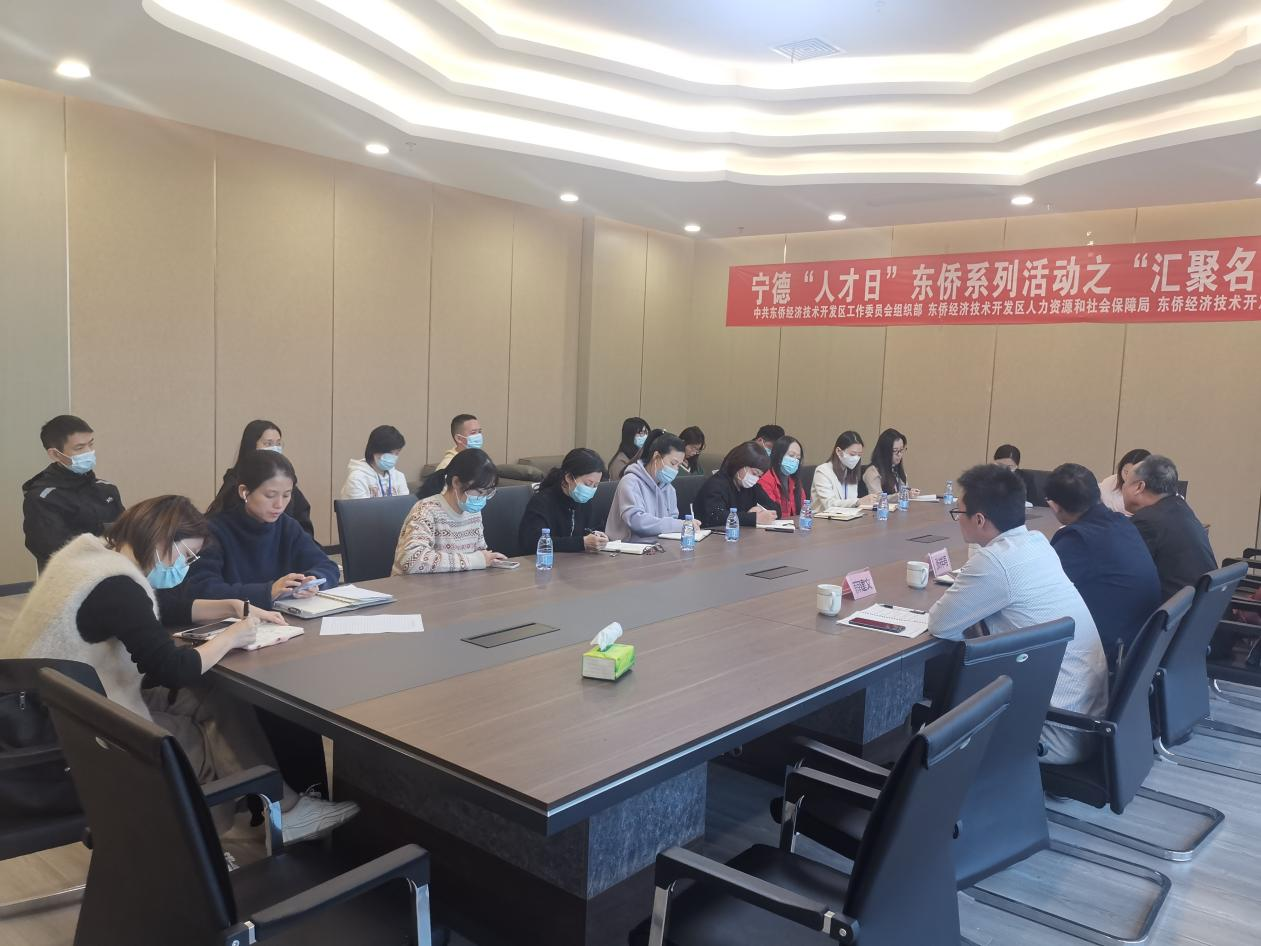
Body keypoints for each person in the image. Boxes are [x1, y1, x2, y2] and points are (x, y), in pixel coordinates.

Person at [2, 495, 358, 842]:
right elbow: (171, 668)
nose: (185, 566)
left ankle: (283, 809)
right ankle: (197, 852)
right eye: (187, 555)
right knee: (202, 741)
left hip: (43, 703)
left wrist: (230, 606)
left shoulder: (89, 556)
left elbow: (159, 607)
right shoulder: (118, 586)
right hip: (60, 730)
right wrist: (232, 637)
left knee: (210, 694)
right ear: (162, 538)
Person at [928, 464, 1108, 765]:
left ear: (980, 519)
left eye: (959, 513)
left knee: (942, 701)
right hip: (1085, 719)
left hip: (1052, 730)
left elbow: (940, 624)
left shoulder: (996, 561)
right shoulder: (1038, 543)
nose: (958, 520)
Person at [1044, 463, 1163, 671]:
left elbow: (1043, 594)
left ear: (1054, 506)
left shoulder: (1077, 539)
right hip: (1139, 647)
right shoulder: (1122, 523)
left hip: (1107, 658)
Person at [188, 451, 340, 609]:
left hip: (283, 618)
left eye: (286, 495)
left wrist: (313, 580)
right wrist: (268, 592)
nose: (279, 505)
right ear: (244, 491)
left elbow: (328, 566)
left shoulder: (287, 526)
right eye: (270, 495)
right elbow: (203, 590)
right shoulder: (213, 531)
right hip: (233, 620)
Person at [23, 415, 124, 571]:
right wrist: (106, 543)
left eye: (91, 444)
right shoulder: (42, 498)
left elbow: (126, 530)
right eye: (79, 448)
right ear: (55, 454)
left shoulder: (106, 489)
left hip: (115, 568)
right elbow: (55, 549)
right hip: (72, 575)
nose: (89, 452)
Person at [394, 448, 508, 573]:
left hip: (456, 582)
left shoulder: (473, 512)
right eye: (479, 492)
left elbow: (479, 554)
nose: (482, 499)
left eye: (487, 493)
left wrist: (488, 559)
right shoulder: (426, 510)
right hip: (414, 584)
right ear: (456, 482)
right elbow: (410, 560)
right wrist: (474, 560)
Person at [1124, 455, 1215, 600]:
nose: (1123, 487)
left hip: (1175, 609)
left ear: (1139, 487)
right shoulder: (1180, 507)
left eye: (1125, 482)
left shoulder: (1147, 521)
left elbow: (1125, 573)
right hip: (1202, 605)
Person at [212, 420, 314, 537]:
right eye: (268, 443)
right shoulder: (233, 483)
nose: (279, 505)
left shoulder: (286, 481)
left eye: (278, 444)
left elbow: (303, 524)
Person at [604, 431, 692, 541]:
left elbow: (672, 522)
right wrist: (680, 524)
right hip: (628, 547)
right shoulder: (630, 482)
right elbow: (637, 522)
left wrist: (681, 526)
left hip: (658, 546)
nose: (675, 470)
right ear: (656, 456)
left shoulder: (669, 489)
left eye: (678, 466)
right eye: (673, 463)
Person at [518, 448, 609, 554]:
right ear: (569, 477)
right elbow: (533, 543)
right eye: (588, 484)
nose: (590, 489)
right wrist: (581, 543)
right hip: (544, 561)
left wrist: (596, 536)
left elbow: (587, 531)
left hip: (576, 561)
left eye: (595, 485)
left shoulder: (584, 502)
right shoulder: (542, 501)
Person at [694, 442, 777, 529]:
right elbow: (716, 516)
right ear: (740, 463)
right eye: (754, 473)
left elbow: (775, 507)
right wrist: (753, 518)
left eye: (759, 476)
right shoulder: (716, 484)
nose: (755, 479)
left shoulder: (752, 487)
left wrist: (761, 509)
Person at [811, 431, 874, 512]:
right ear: (838, 451)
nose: (856, 458)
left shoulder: (851, 472)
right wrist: (857, 502)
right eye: (852, 454)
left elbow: (851, 502)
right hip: (823, 518)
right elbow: (829, 504)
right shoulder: (822, 471)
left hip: (847, 517)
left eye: (859, 455)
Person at [340, 425, 408, 499]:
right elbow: (361, 506)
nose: (393, 457)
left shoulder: (398, 476)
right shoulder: (357, 478)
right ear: (375, 450)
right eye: (389, 452)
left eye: (397, 453)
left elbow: (406, 504)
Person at [754, 436, 808, 518]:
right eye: (791, 455)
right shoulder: (765, 481)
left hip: (795, 524)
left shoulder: (795, 481)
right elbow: (772, 513)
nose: (795, 460)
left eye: (798, 458)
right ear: (778, 456)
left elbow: (804, 510)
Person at [863, 427, 920, 498]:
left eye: (901, 450)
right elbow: (877, 498)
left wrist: (910, 492)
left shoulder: (896, 469)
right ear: (884, 451)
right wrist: (902, 495)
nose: (899, 454)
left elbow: (904, 490)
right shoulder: (872, 472)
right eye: (895, 450)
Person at [1099, 448, 1150, 515]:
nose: (1128, 477)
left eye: (1134, 474)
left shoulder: (1150, 493)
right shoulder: (1112, 480)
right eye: (1126, 472)